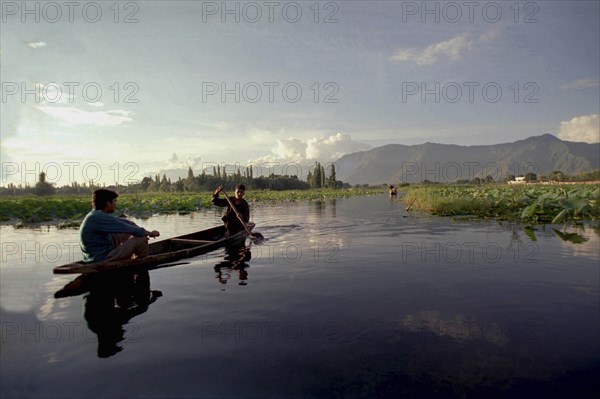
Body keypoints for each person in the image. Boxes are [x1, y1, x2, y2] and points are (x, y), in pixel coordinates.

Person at [80, 189, 160, 263]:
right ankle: (140, 264)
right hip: (101, 258)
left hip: (93, 256)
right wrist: (149, 233)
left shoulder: (95, 214)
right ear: (108, 203)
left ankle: (131, 254)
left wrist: (138, 229)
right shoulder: (98, 217)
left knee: (123, 231)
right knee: (141, 239)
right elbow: (126, 227)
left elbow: (123, 222)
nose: (115, 204)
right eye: (114, 201)